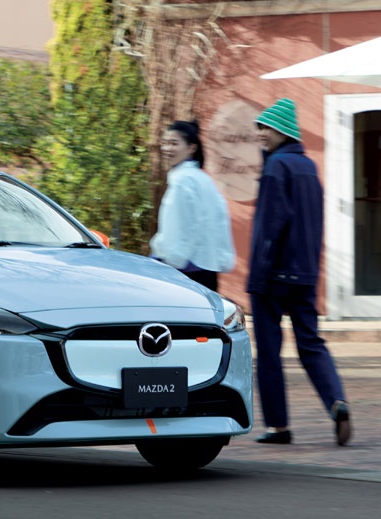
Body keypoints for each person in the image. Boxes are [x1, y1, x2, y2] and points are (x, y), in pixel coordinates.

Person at [247, 98, 351, 446]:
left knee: (269, 353)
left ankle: (278, 426)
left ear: (281, 130)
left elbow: (269, 227)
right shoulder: (308, 168)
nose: (260, 134)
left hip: (272, 275)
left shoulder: (276, 168)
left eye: (265, 128)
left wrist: (257, 277)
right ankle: (337, 402)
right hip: (305, 274)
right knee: (312, 345)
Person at [149, 120, 236, 291]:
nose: (167, 148)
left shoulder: (182, 180)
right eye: (165, 143)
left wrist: (172, 259)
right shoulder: (203, 179)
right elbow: (220, 221)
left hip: (185, 271)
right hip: (207, 268)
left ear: (191, 148)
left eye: (174, 143)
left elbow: (182, 227)